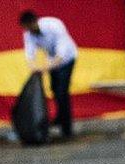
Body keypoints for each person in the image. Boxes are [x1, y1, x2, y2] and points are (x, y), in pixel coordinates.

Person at [18, 10, 77, 139]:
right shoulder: (28, 34)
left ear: (33, 22)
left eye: (28, 27)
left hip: (67, 59)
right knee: (54, 90)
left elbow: (61, 55)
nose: (27, 31)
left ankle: (66, 128)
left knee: (62, 92)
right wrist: (34, 68)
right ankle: (60, 117)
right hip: (52, 61)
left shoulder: (54, 26)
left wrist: (43, 68)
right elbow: (30, 55)